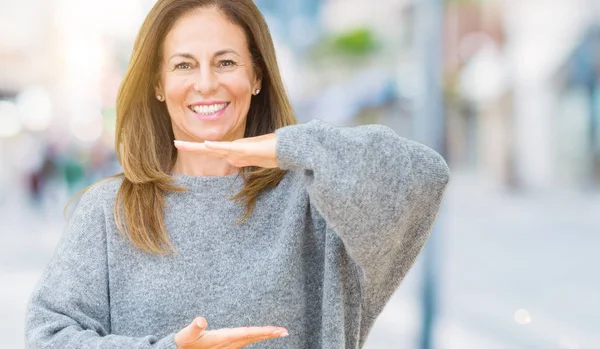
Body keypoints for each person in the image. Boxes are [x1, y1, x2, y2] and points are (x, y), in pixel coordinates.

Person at [24, 0, 450, 348]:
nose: (206, 83)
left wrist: (288, 146)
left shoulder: (313, 202)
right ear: (157, 84)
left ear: (256, 76)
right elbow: (48, 336)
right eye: (184, 65)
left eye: (226, 62)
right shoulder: (108, 212)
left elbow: (424, 177)